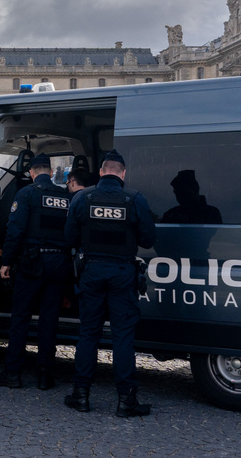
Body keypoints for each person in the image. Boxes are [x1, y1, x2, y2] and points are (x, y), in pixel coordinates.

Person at [64, 149, 157, 418]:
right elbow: (149, 239)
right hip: (122, 273)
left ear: (102, 171)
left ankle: (81, 395)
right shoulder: (134, 199)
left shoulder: (83, 197)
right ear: (123, 173)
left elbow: (69, 238)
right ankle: (126, 401)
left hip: (91, 272)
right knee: (123, 337)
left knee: (88, 334)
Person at [0, 153, 72, 391]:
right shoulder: (64, 196)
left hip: (32, 261)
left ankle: (13, 372)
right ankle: (45, 375)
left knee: (21, 317)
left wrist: (6, 261)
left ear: (32, 172)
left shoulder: (26, 194)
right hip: (59, 262)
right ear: (50, 170)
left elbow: (15, 231)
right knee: (49, 319)